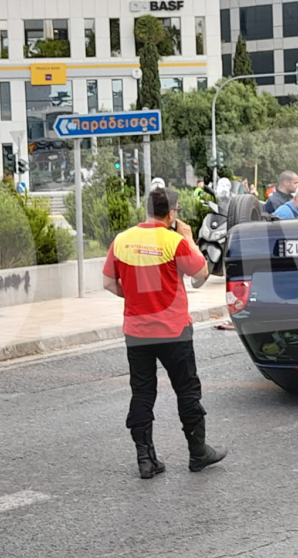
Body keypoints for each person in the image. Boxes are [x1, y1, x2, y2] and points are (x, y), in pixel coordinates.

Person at [102, 187, 227, 479]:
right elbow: (201, 272)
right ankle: (198, 453)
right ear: (171, 213)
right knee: (187, 390)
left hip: (136, 331)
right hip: (174, 330)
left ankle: (146, 460)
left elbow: (108, 283)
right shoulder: (174, 241)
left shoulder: (122, 240)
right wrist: (189, 238)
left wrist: (137, 297)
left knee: (142, 392)